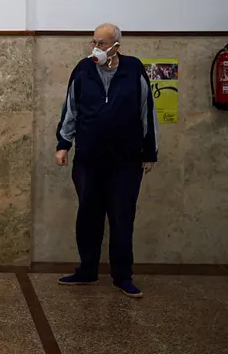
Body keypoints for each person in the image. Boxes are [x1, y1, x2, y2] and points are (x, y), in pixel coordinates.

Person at [54, 23, 158, 298]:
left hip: (125, 160)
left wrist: (149, 153)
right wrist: (63, 144)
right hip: (89, 158)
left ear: (116, 46)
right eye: (94, 42)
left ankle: (122, 276)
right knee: (88, 215)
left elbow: (147, 112)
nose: (96, 48)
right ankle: (87, 270)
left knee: (122, 217)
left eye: (101, 43)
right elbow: (70, 109)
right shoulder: (83, 69)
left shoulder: (133, 69)